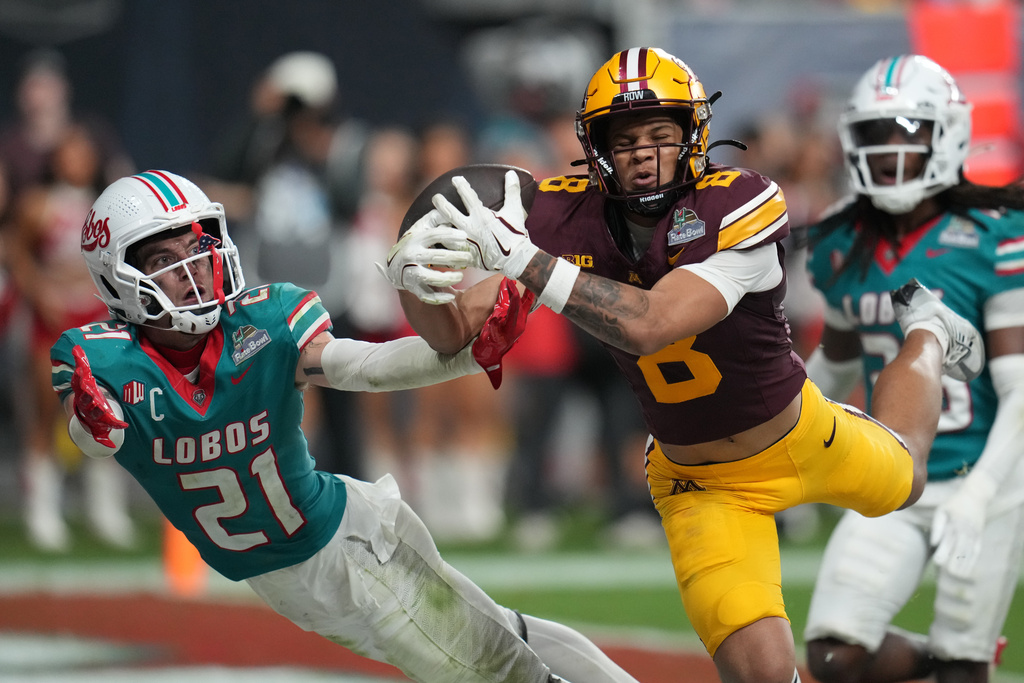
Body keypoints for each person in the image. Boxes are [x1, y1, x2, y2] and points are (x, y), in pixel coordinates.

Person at [381, 47, 987, 683]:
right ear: (597, 147)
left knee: (908, 477)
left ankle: (927, 331)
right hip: (699, 482)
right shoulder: (563, 216)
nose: (642, 151)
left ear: (692, 135)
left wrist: (522, 258)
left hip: (799, 434)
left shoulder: (740, 200)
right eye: (626, 138)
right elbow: (453, 334)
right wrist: (419, 283)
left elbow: (651, 324)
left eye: (660, 135)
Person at [52, 169, 640, 683]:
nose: (192, 271)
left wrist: (466, 353)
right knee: (509, 634)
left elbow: (363, 366)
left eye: (195, 249)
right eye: (163, 260)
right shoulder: (99, 359)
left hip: (346, 553)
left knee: (501, 673)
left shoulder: (265, 320)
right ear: (116, 277)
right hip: (303, 569)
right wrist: (88, 428)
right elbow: (99, 439)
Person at [800, 54, 1024, 683]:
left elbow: (1020, 387)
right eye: (875, 136)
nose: (889, 151)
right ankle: (937, 660)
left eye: (906, 132)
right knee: (835, 656)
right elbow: (836, 363)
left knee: (963, 668)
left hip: (987, 472)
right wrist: (774, 439)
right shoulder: (843, 242)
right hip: (894, 473)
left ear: (947, 135)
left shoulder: (994, 234)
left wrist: (981, 495)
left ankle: (963, 660)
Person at [7, 125, 135, 551]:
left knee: (109, 410)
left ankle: (105, 508)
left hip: (99, 319)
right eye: (68, 152)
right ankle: (42, 509)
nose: (75, 160)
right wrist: (38, 290)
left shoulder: (109, 206)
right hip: (53, 320)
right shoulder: (37, 205)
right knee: (46, 410)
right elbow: (15, 250)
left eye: (83, 152)